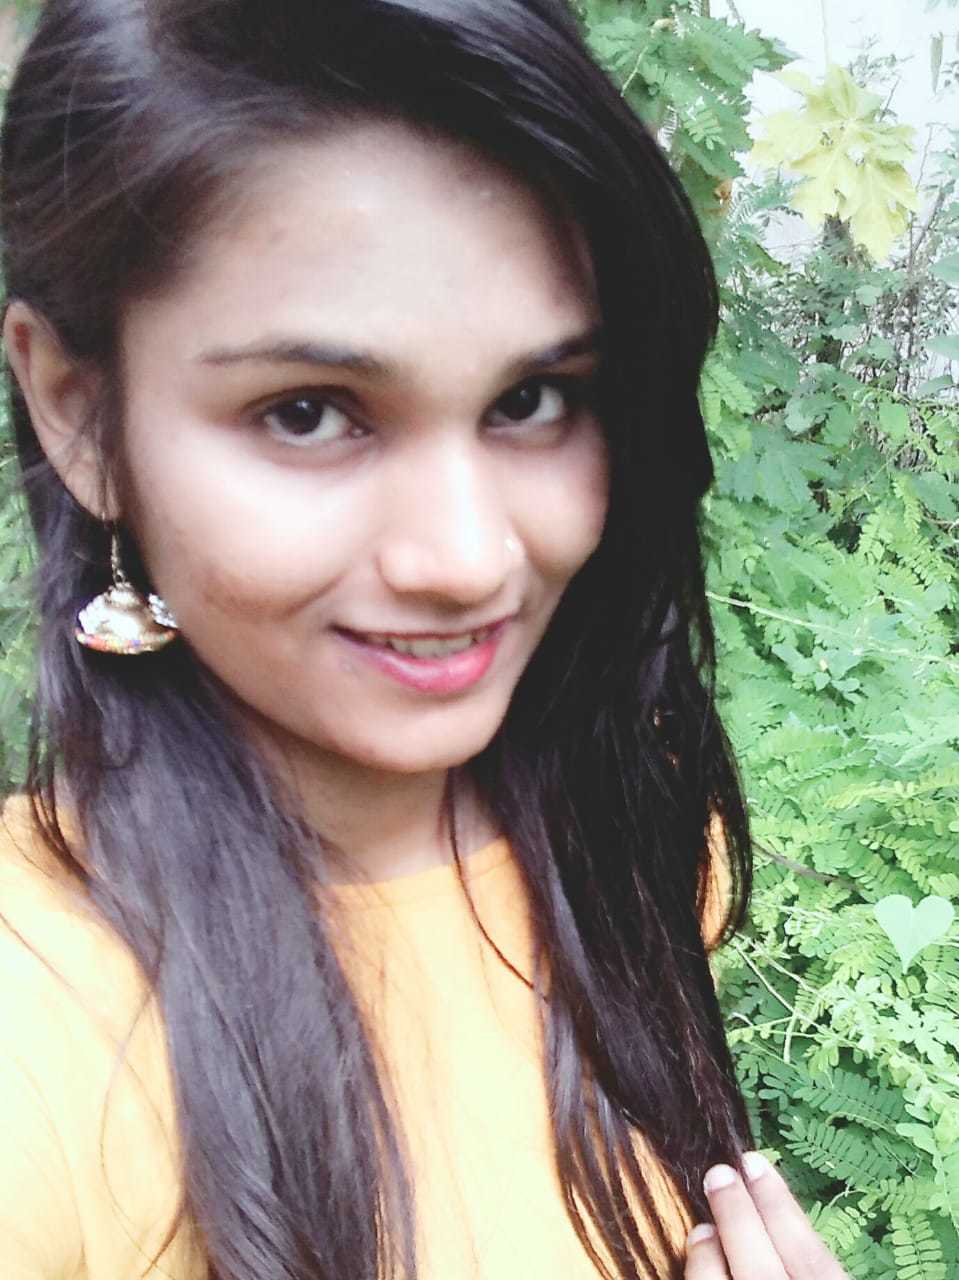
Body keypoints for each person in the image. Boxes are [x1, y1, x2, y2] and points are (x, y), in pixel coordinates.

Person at [0, 1, 848, 1277]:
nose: (465, 558)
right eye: (306, 412)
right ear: (77, 411)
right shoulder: (36, 1029)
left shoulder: (637, 834)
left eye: (532, 398)